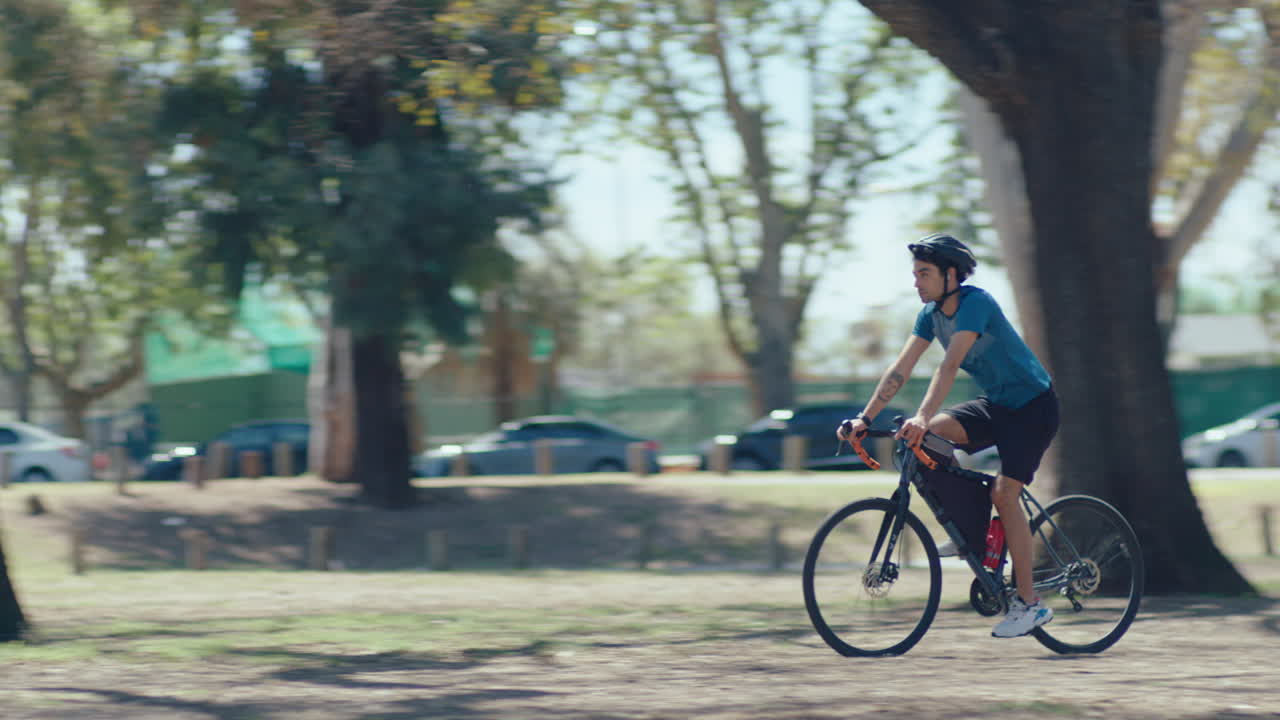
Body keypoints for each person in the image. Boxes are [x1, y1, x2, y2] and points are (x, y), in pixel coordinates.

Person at [837, 233, 1059, 638]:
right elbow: (900, 369)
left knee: (1005, 494)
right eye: (915, 274)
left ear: (951, 275)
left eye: (924, 273)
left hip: (1033, 409)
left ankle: (1029, 604)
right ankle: (970, 531)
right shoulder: (930, 314)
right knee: (925, 440)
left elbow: (949, 366)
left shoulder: (976, 304)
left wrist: (921, 414)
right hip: (997, 404)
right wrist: (865, 419)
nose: (917, 282)